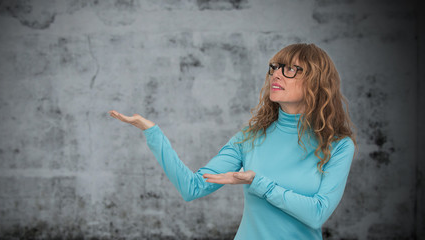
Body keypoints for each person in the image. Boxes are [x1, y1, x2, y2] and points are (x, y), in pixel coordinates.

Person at [108, 43, 357, 239]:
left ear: (317, 81)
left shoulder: (339, 145)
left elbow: (317, 214)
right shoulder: (251, 136)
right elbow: (192, 187)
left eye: (290, 69)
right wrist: (152, 132)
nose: (276, 75)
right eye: (275, 67)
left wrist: (258, 182)